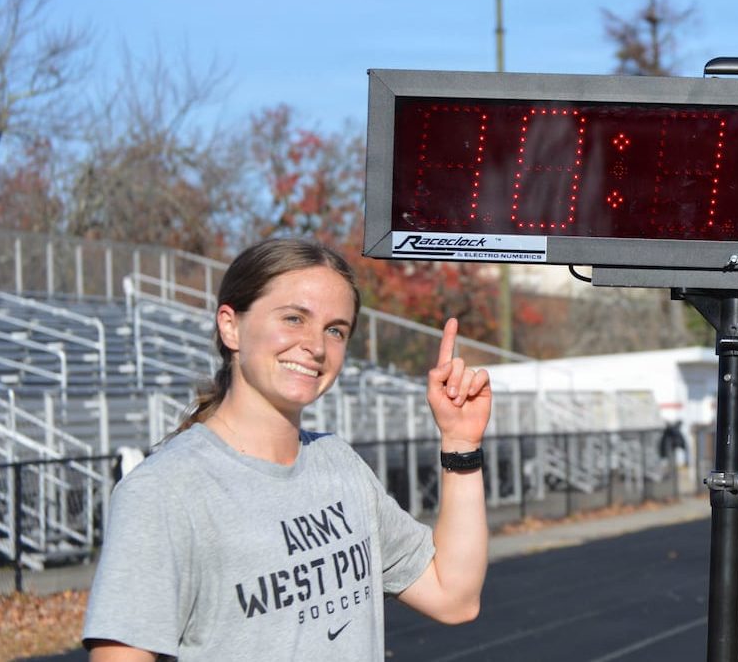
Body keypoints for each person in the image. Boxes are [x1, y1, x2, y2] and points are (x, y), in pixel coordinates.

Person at [82, 238, 491, 661]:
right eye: (294, 318)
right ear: (230, 326)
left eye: (335, 330)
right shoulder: (163, 491)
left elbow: (454, 597)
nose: (317, 345)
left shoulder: (339, 465)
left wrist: (461, 444)